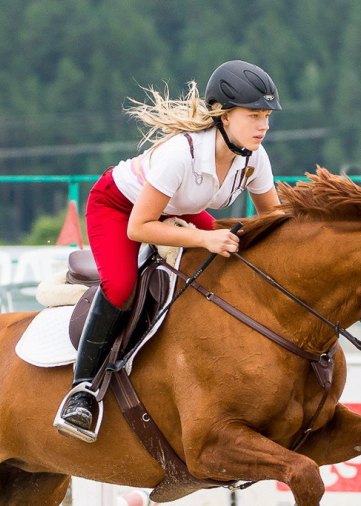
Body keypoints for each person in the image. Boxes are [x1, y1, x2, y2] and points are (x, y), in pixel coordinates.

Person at [57, 60, 283, 438]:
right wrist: (205, 238)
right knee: (122, 287)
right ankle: (81, 392)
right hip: (120, 209)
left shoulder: (254, 159)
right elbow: (140, 227)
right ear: (224, 117)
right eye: (254, 116)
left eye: (267, 116)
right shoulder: (181, 153)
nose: (264, 126)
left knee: (234, 260)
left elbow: (274, 220)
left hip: (179, 209)